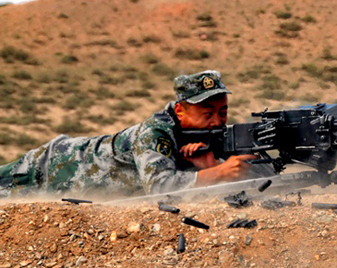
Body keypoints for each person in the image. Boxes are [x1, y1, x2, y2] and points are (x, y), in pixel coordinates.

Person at [0, 70, 273, 198]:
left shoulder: (214, 135)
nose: (217, 121)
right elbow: (159, 187)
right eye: (207, 113)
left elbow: (263, 175)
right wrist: (217, 174)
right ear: (180, 111)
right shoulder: (155, 133)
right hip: (45, 168)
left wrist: (211, 167)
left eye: (222, 112)